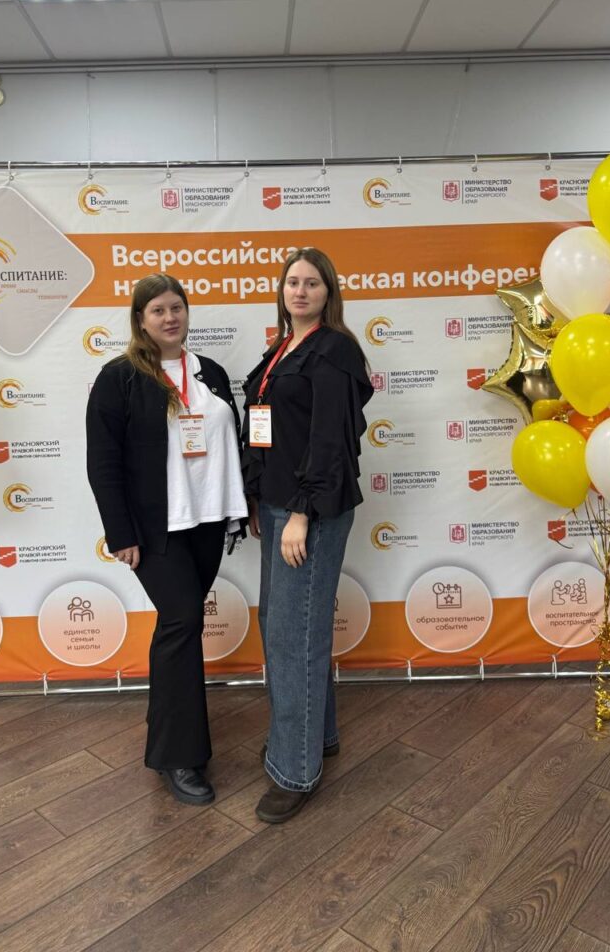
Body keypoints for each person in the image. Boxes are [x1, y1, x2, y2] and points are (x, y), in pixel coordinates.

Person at [86, 273, 247, 806]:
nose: (169, 317)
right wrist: (121, 533)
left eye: (176, 307)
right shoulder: (120, 378)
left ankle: (165, 725)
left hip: (207, 521)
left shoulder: (211, 372)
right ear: (140, 320)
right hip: (155, 531)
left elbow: (230, 440)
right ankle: (179, 756)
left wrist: (239, 509)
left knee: (179, 627)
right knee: (182, 622)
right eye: (157, 310)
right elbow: (102, 462)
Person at [242, 247, 373, 823]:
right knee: (285, 624)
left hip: (310, 511)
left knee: (294, 636)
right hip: (277, 506)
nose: (300, 290)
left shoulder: (334, 349)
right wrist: (258, 498)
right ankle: (317, 737)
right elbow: (267, 432)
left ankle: (295, 770)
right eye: (292, 282)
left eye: (312, 283)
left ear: (328, 292)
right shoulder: (281, 350)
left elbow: (329, 440)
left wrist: (300, 513)